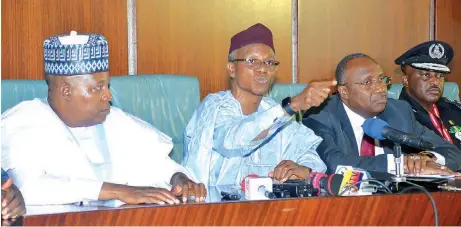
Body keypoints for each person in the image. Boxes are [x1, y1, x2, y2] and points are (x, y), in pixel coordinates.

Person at [1, 31, 206, 206]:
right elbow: (28, 187)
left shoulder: (114, 119)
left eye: (107, 86)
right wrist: (118, 191)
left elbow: (155, 163)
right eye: (97, 88)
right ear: (66, 91)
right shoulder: (24, 121)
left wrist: (178, 178)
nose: (108, 96)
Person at [183, 23, 334, 186]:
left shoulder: (274, 111)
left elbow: (310, 154)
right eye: (252, 61)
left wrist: (302, 169)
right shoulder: (213, 108)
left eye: (269, 62)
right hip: (216, 208)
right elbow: (234, 140)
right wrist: (293, 105)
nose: (262, 69)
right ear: (232, 69)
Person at [303, 53, 461, 175]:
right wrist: (400, 164)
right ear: (344, 91)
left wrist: (427, 158)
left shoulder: (399, 112)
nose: (380, 89)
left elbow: (452, 152)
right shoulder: (321, 115)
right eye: (368, 82)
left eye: (382, 80)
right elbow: (334, 164)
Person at [396, 41, 461, 150]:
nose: (435, 82)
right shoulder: (398, 117)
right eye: (426, 75)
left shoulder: (454, 110)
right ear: (406, 80)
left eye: (440, 75)